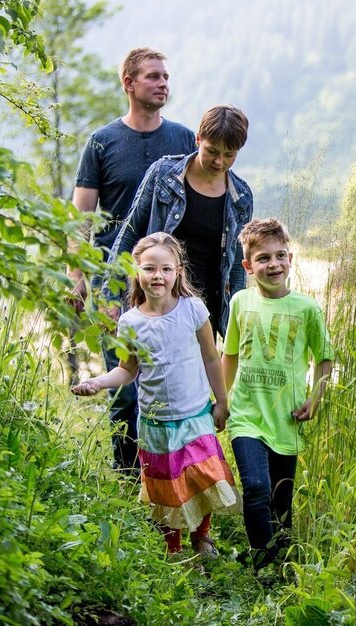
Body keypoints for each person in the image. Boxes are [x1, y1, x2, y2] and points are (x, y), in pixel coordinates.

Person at [71, 233, 239, 557]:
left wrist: (222, 402)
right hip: (156, 420)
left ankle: (201, 536)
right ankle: (172, 549)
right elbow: (127, 370)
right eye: (149, 269)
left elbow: (210, 356)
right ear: (136, 272)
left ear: (178, 272)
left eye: (165, 269)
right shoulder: (131, 322)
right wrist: (97, 382)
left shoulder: (193, 309)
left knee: (203, 479)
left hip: (195, 415)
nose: (157, 276)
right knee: (166, 489)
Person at [70, 47, 195, 476]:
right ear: (129, 84)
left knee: (173, 386)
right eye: (153, 77)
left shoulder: (183, 140)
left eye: (165, 76)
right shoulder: (102, 143)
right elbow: (81, 218)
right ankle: (128, 484)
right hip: (115, 283)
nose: (163, 84)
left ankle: (174, 482)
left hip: (168, 284)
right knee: (124, 388)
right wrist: (78, 278)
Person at [223, 219, 334, 569]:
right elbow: (230, 354)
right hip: (246, 415)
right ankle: (263, 565)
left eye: (280, 256)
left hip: (286, 417)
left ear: (291, 259)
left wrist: (314, 400)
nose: (273, 264)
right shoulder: (240, 302)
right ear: (247, 266)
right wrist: (222, 402)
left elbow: (325, 359)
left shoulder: (307, 309)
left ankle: (284, 561)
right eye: (263, 258)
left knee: (280, 500)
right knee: (255, 488)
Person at [107, 104, 253, 337]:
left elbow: (236, 270)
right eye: (213, 151)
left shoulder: (241, 198)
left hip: (205, 314)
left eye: (229, 155)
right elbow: (130, 232)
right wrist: (111, 296)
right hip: (155, 302)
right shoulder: (162, 174)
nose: (219, 162)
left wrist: (236, 326)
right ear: (198, 139)